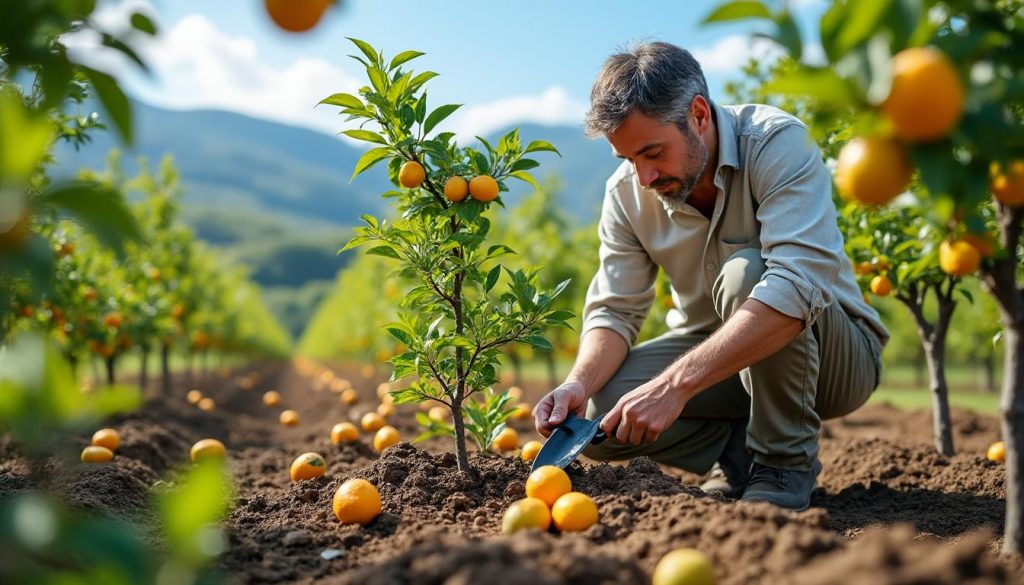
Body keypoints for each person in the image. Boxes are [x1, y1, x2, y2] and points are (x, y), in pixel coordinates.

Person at [532, 42, 888, 511]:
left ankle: (783, 464)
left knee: (750, 275)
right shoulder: (626, 194)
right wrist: (577, 382)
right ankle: (737, 454)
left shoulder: (777, 143)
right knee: (599, 417)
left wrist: (674, 386)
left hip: (835, 356)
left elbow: (798, 286)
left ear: (698, 114)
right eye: (628, 160)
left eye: (653, 152)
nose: (643, 176)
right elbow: (616, 309)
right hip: (718, 356)